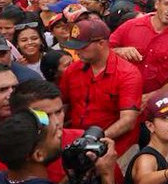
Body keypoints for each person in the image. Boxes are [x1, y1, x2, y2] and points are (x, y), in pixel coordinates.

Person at [58, 18, 142, 159]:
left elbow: (128, 121)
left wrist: (92, 140)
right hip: (77, 145)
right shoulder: (72, 70)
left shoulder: (128, 74)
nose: (77, 51)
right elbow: (63, 104)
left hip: (118, 148)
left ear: (102, 43)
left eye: (82, 47)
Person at [109, 0, 168, 102]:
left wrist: (152, 97)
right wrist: (119, 51)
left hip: (158, 105)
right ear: (157, 4)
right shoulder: (131, 26)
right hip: (123, 98)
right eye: (167, 4)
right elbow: (103, 52)